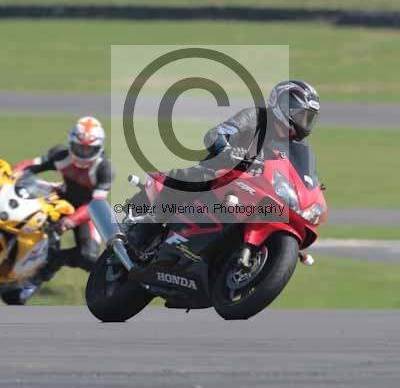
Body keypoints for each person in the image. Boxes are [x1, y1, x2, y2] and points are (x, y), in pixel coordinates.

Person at [125, 80, 320, 253]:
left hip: (256, 189)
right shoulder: (255, 117)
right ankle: (148, 226)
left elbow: (300, 172)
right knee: (192, 179)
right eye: (300, 115)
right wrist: (228, 150)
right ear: (282, 105)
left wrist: (310, 188)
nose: (304, 123)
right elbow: (216, 134)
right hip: (223, 172)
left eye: (308, 118)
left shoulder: (297, 145)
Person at [14, 116, 115, 283]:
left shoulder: (105, 168)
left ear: (99, 147)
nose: (83, 153)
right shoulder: (60, 154)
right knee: (18, 220)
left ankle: (55, 260)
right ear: (70, 143)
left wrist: (71, 221)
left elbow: (96, 203)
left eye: (89, 149)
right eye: (79, 147)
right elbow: (31, 165)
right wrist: (13, 174)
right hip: (59, 198)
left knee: (88, 255)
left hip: (86, 211)